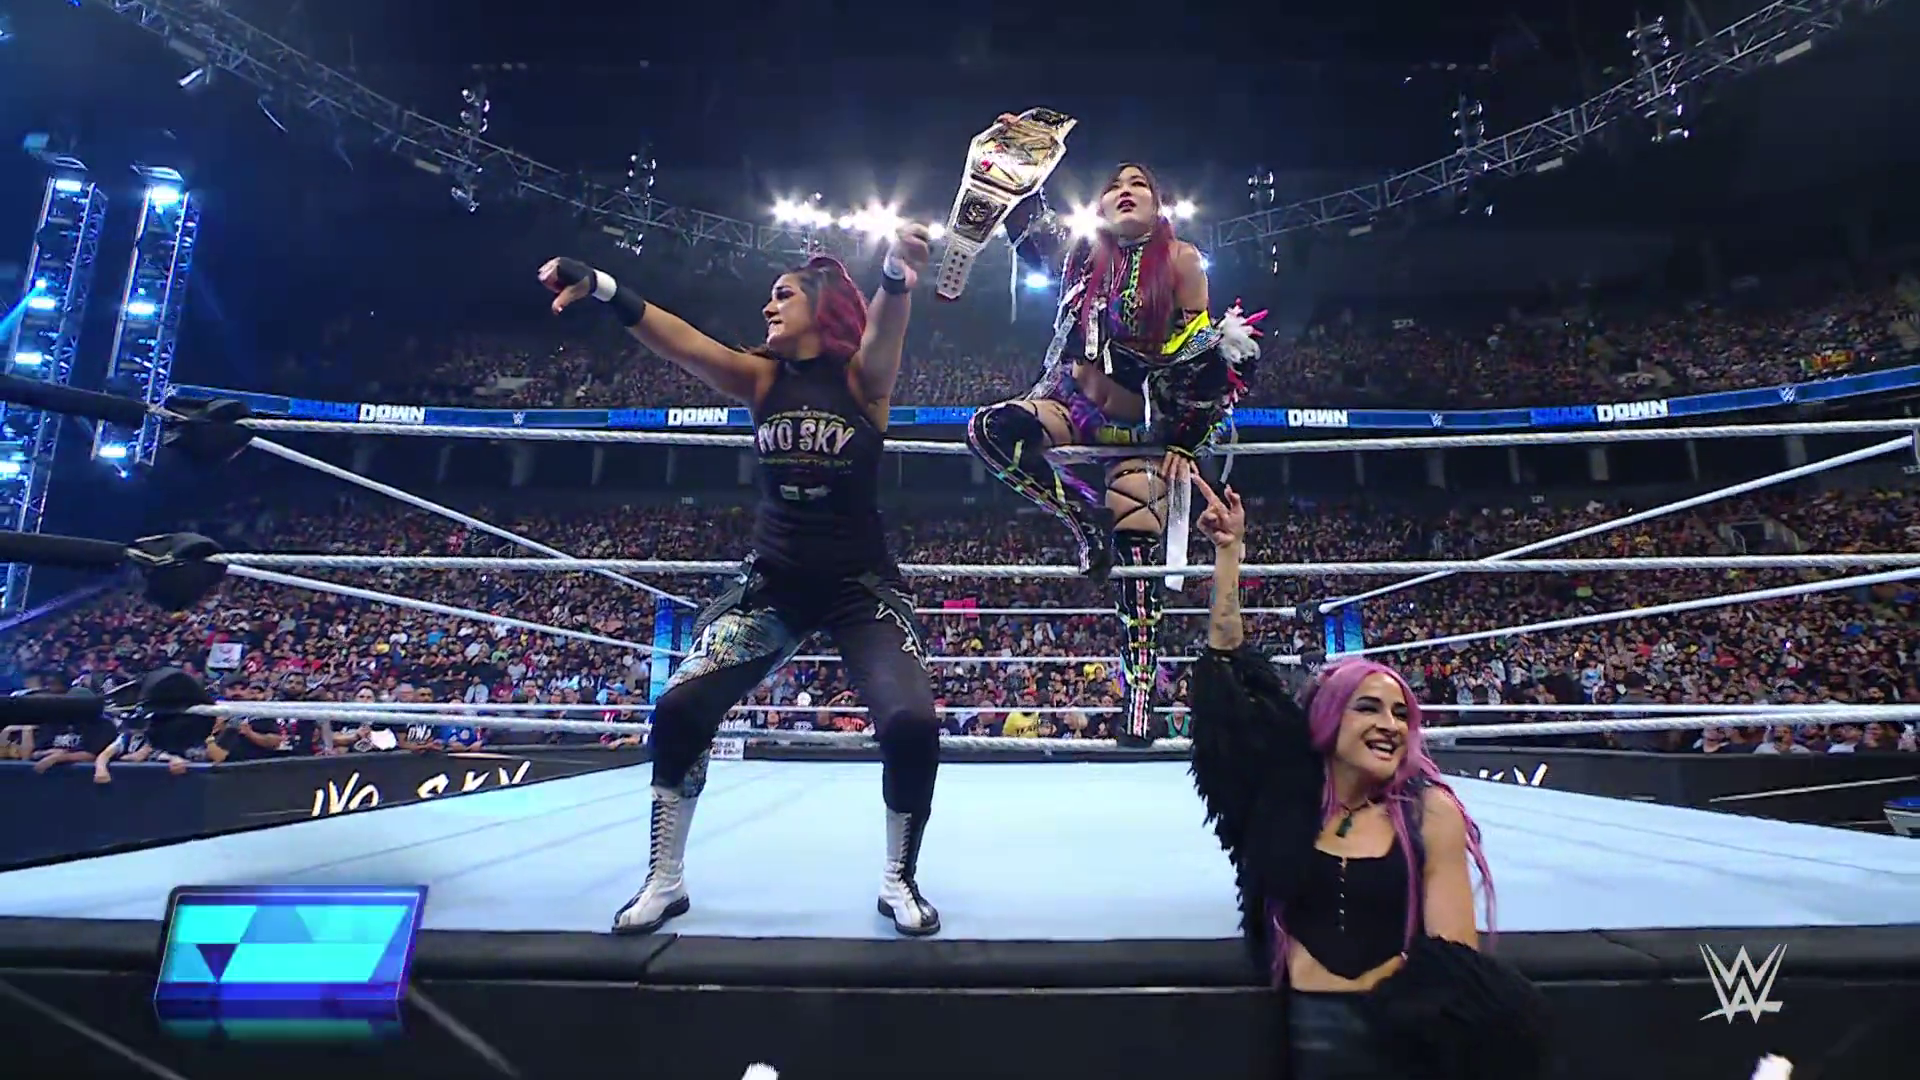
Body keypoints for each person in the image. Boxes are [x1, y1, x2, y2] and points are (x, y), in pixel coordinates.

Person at [538, 224, 944, 937]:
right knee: (680, 707)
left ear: (823, 308)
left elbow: (885, 334)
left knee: (912, 723)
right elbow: (680, 341)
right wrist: (603, 287)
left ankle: (898, 879)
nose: (767, 306)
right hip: (774, 583)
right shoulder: (760, 379)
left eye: (783, 295)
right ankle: (665, 879)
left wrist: (894, 277)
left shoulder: (861, 383)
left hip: (861, 588)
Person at [1184, 475, 1549, 1080]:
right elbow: (1227, 683)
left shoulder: (1426, 811)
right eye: (1370, 708)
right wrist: (1229, 557)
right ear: (1330, 716)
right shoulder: (1287, 799)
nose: (1390, 725)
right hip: (1303, 1031)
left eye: (1402, 714)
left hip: (1397, 1037)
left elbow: (1453, 960)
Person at [962, 136, 1259, 745]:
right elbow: (1022, 221)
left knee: (1139, 555)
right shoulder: (1079, 255)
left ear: (1157, 203)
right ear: (1099, 206)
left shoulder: (1182, 260)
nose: (1124, 191)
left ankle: (1139, 703)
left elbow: (1209, 362)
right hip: (1071, 405)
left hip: (1142, 428)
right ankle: (1082, 522)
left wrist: (1184, 439)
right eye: (1113, 185)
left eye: (1137, 183)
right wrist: (1014, 155)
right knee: (988, 430)